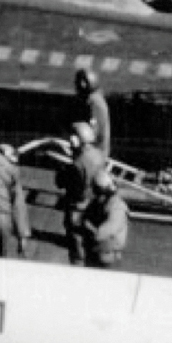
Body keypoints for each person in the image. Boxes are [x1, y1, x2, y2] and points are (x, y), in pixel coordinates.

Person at [56, 121, 106, 265]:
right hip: (94, 206)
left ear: (75, 140)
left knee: (77, 251)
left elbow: (62, 183)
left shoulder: (76, 164)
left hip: (77, 209)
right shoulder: (98, 155)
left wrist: (64, 168)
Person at [79, 171, 128, 269]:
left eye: (99, 191)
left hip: (107, 254)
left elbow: (104, 232)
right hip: (96, 250)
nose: (96, 195)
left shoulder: (117, 207)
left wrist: (88, 226)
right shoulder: (100, 202)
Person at [73, 70, 111, 160]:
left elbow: (93, 132)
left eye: (77, 82)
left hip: (95, 153)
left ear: (84, 84)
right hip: (94, 150)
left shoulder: (94, 101)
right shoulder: (94, 98)